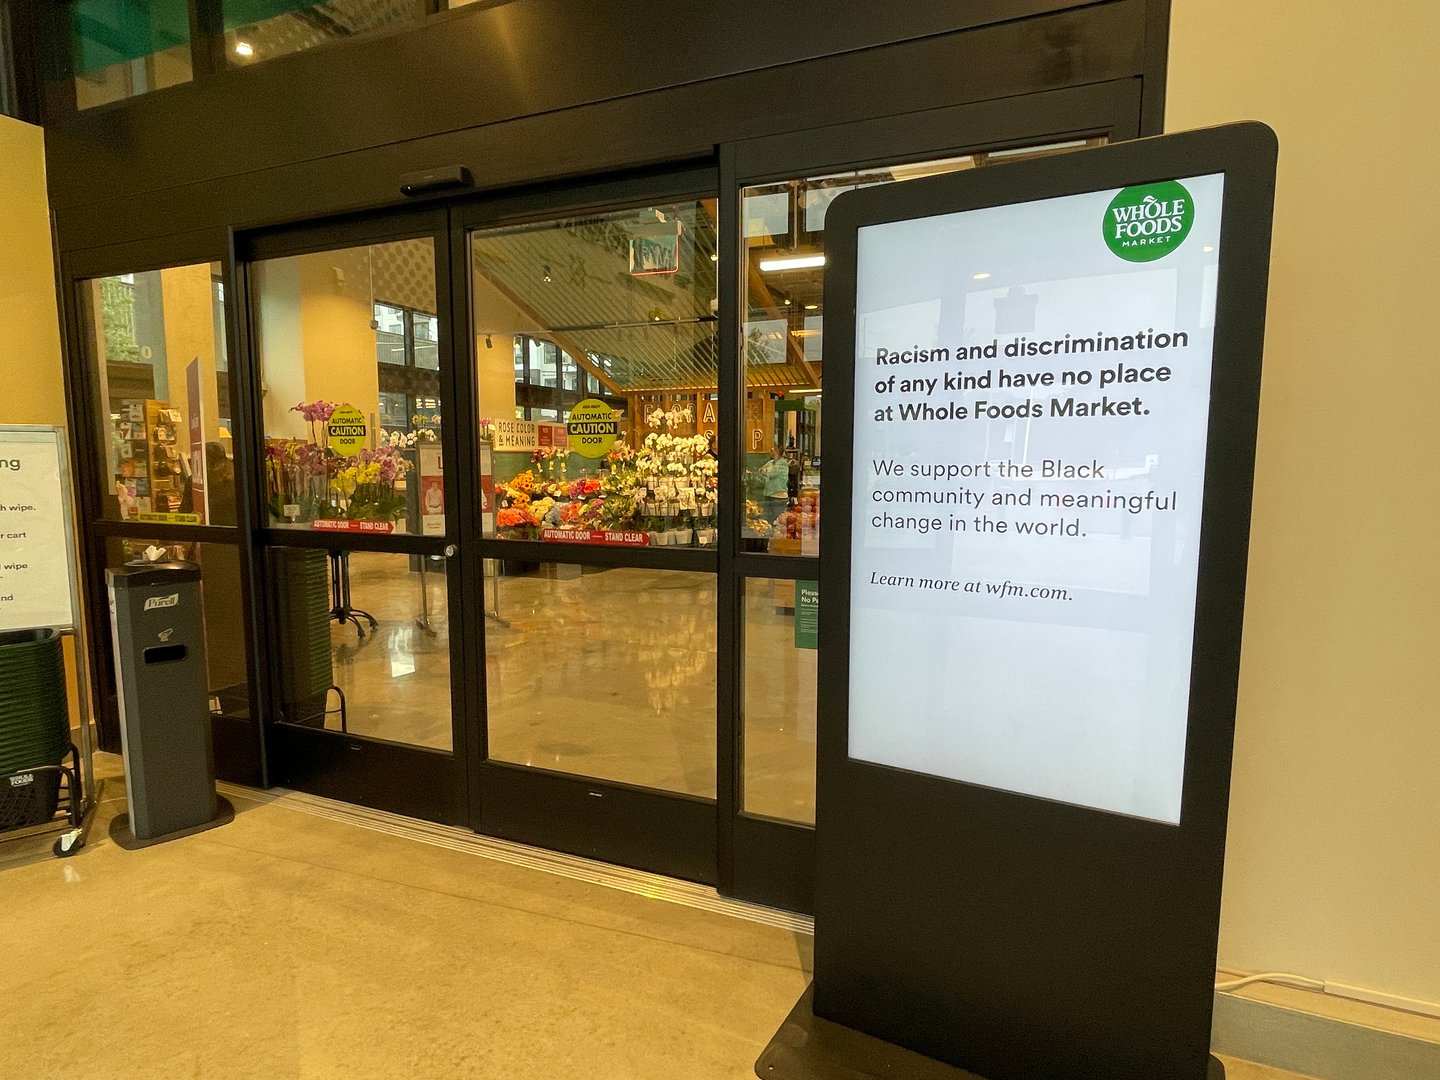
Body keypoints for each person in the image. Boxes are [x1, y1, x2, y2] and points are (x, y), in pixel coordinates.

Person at [760, 444, 790, 524]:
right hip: (768, 495)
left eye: (773, 449)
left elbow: (773, 473)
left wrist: (766, 471)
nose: (771, 451)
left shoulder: (783, 463)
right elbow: (761, 470)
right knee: (767, 520)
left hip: (779, 497)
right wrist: (764, 470)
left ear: (778, 452)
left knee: (779, 521)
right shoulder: (770, 462)